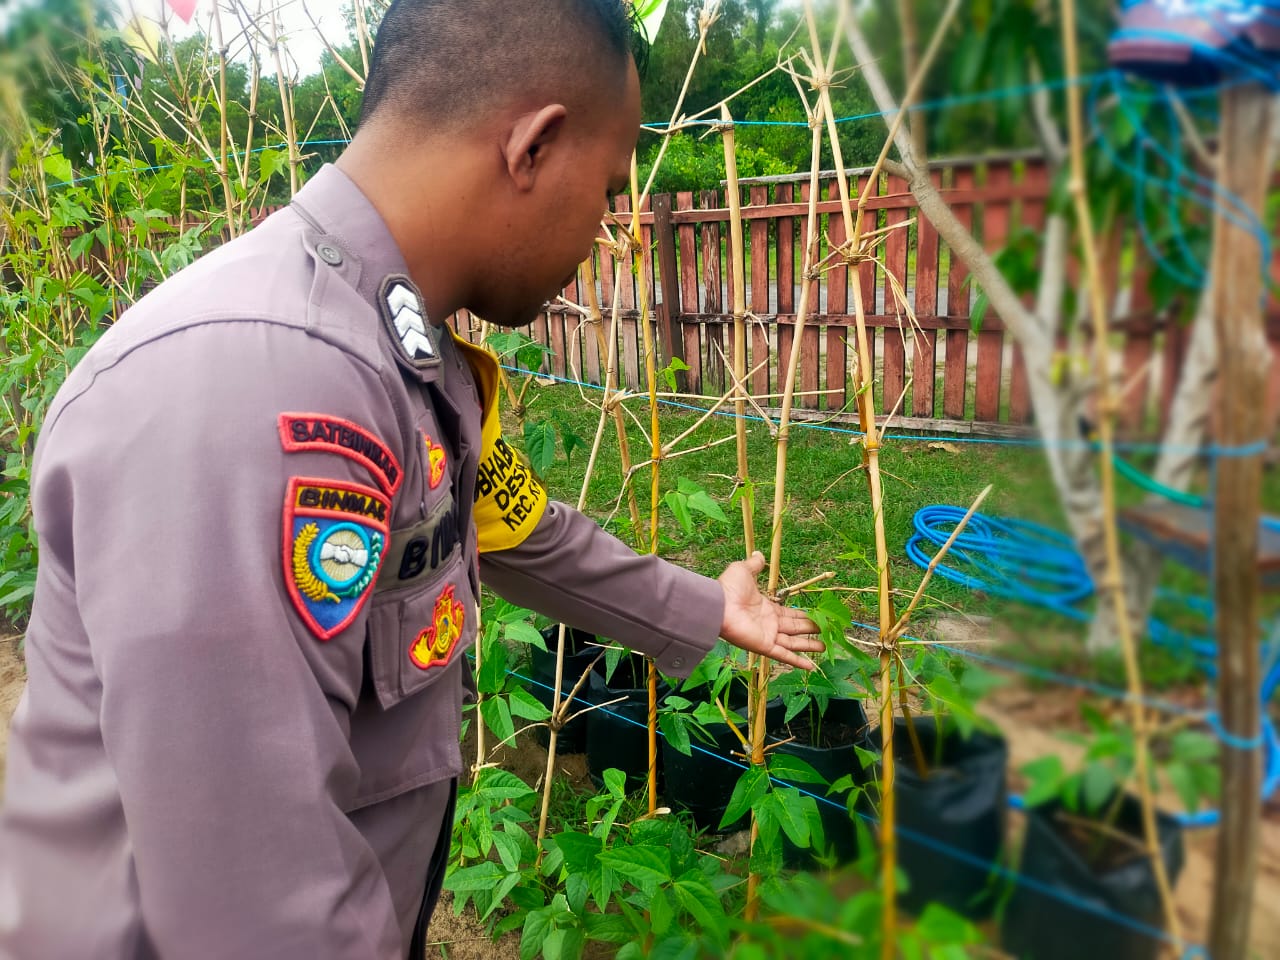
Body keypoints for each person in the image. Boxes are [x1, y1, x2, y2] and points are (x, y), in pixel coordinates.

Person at [0, 1, 824, 957]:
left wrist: (697, 607)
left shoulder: (392, 351)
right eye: (606, 192)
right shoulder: (258, 388)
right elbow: (262, 916)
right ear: (534, 146)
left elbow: (513, 521)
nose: (605, 232)